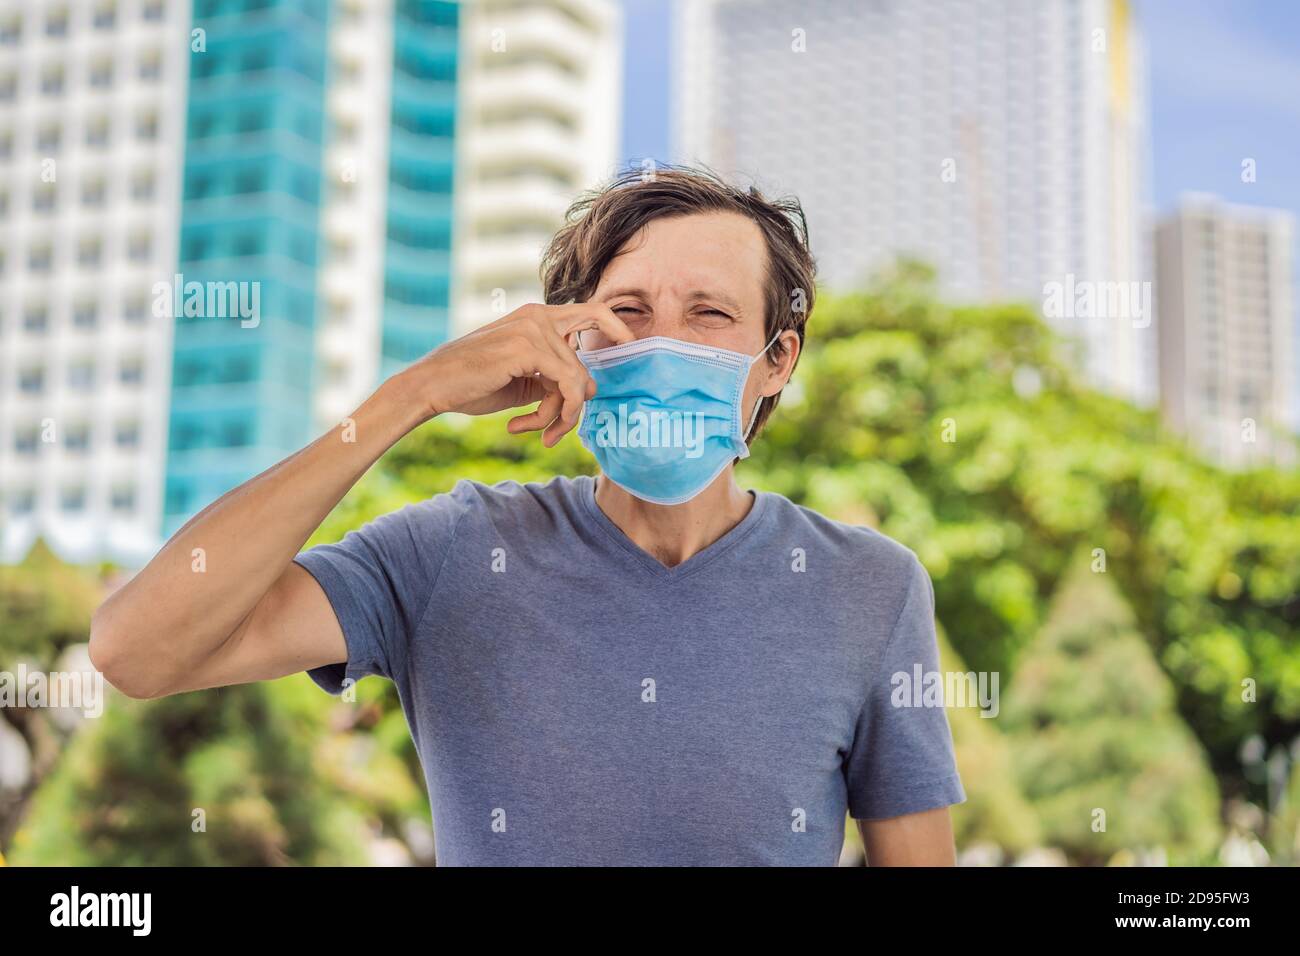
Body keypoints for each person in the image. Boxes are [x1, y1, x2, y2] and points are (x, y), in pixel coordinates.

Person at [91, 167, 965, 866]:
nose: (662, 345)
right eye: (626, 312)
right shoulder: (453, 550)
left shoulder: (870, 588)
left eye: (710, 314)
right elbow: (135, 649)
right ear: (571, 338)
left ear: (778, 359)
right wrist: (411, 396)